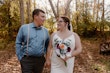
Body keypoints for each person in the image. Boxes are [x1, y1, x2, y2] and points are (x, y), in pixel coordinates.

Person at [15, 9, 49, 73]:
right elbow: (18, 42)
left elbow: (48, 46)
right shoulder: (24, 28)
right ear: (35, 16)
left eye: (44, 17)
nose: (44, 19)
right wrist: (20, 57)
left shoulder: (46, 31)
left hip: (40, 60)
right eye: (42, 16)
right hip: (26, 60)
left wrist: (47, 59)